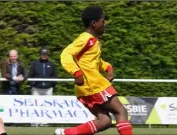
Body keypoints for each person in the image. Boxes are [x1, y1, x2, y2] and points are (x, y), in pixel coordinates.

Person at [56, 5, 133, 135]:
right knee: (121, 111)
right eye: (103, 21)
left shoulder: (93, 41)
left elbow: (93, 62)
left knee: (104, 121)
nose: (105, 24)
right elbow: (66, 54)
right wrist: (76, 72)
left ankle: (65, 133)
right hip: (94, 83)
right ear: (94, 23)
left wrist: (107, 67)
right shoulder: (86, 39)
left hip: (85, 87)